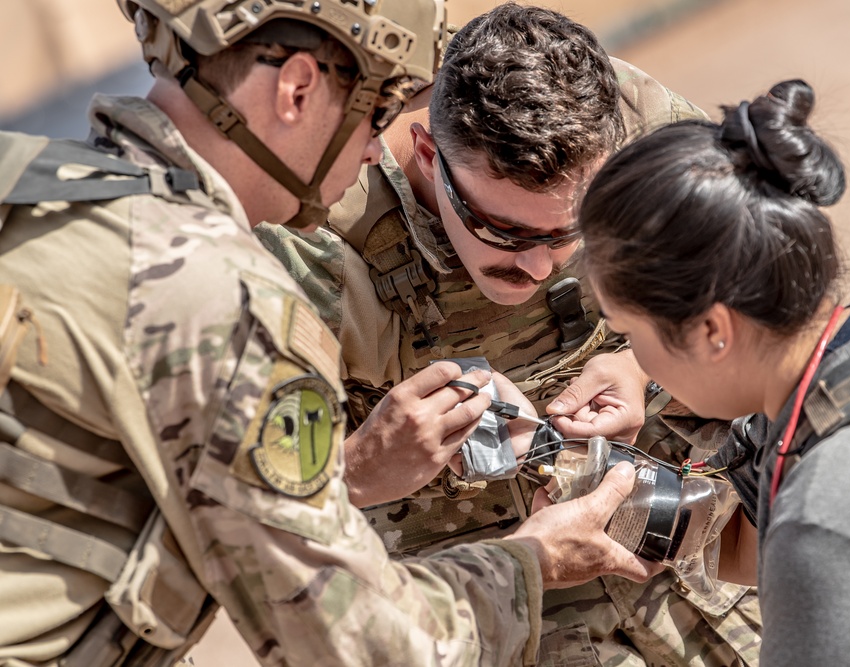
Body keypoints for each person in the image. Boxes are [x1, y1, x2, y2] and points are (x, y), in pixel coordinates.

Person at [0, 1, 661, 664]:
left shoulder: (32, 193)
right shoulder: (219, 297)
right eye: (376, 111)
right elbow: (367, 645)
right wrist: (533, 558)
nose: (380, 146)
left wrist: (349, 475)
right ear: (297, 89)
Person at [258, 4, 762, 665]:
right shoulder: (317, 249)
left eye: (570, 231)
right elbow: (238, 508)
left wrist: (646, 365)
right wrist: (362, 469)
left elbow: (764, 284)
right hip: (495, 613)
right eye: (505, 231)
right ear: (429, 154)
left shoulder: (642, 128)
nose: (538, 264)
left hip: (694, 556)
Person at [578, 78, 850, 665]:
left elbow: (810, 539)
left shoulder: (828, 512)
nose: (632, 361)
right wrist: (575, 475)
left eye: (627, 333)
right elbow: (755, 544)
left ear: (712, 331)